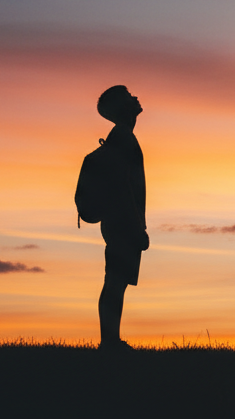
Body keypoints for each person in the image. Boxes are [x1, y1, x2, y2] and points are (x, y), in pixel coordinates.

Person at [76, 85, 149, 350]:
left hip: (119, 220)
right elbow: (123, 186)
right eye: (129, 96)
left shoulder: (122, 136)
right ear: (122, 107)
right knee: (115, 281)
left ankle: (110, 340)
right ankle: (109, 341)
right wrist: (137, 227)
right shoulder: (122, 137)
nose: (136, 97)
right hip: (122, 221)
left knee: (116, 280)